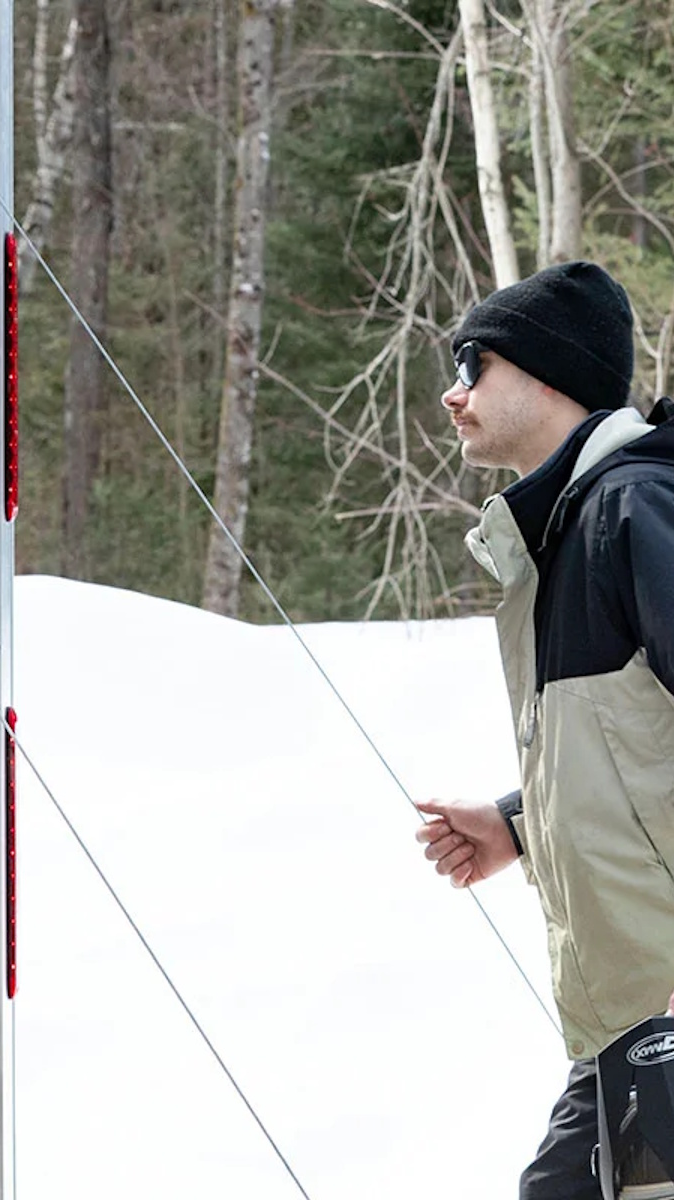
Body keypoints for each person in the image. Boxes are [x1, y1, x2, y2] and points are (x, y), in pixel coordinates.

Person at [413, 260, 674, 1200]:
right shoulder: (567, 532)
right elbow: (631, 747)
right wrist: (518, 823)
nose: (454, 393)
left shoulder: (633, 508)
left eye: (473, 365)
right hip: (625, 1020)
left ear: (547, 372)